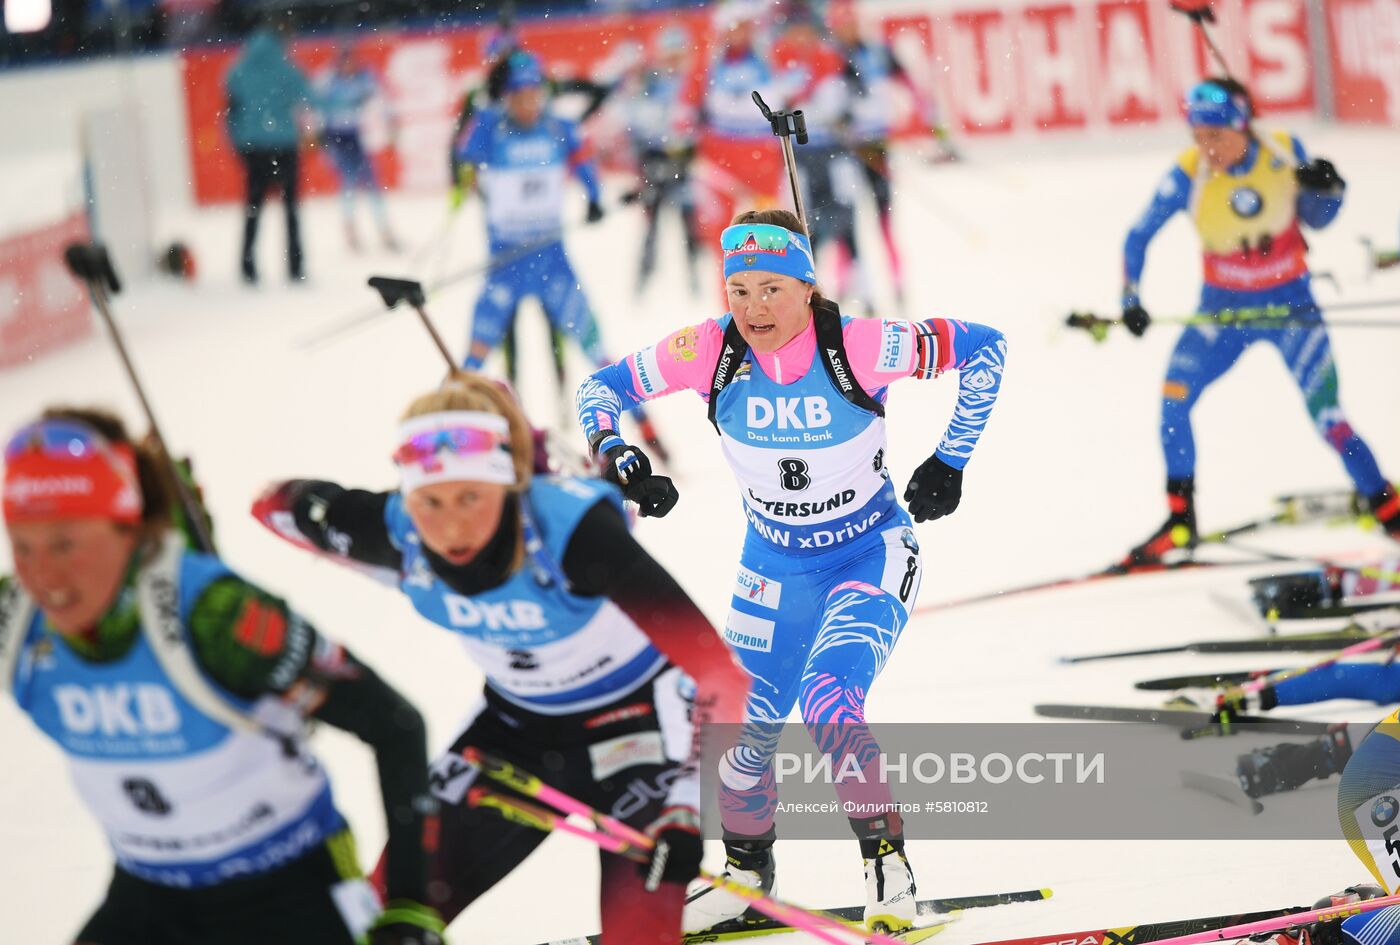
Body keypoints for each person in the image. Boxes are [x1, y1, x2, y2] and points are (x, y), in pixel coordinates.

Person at [575, 208, 1008, 932]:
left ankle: (887, 867)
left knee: (828, 699)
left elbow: (985, 350)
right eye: (737, 289)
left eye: (772, 288)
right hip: (773, 565)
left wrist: (951, 459)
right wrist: (620, 455)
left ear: (807, 286)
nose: (753, 308)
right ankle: (746, 870)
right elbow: (600, 390)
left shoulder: (862, 345)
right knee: (736, 723)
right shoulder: (706, 350)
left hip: (868, 552)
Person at [251, 372, 749, 943]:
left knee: (638, 931)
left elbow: (717, 671)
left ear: (512, 485)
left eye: (471, 497)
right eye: (429, 502)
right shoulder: (397, 531)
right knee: (386, 915)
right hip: (516, 736)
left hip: (638, 732)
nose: (451, 525)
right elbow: (272, 505)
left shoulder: (575, 531)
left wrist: (686, 807)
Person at [0, 408, 443, 945]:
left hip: (286, 888)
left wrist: (409, 903)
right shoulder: (14, 620)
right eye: (22, 546)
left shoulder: (216, 615)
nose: (44, 576)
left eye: (66, 544)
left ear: (127, 529)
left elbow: (393, 723)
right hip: (150, 894)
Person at [1119, 77, 1400, 567]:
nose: (1207, 148)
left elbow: (1319, 218)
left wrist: (1328, 188)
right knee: (1173, 403)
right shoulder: (1190, 172)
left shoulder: (1283, 150)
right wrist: (1130, 299)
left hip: (1292, 309)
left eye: (1217, 136)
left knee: (1329, 419)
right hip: (1222, 314)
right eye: (1198, 137)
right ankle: (1181, 521)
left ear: (1241, 127)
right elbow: (1138, 236)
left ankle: (1388, 507)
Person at [452, 50, 666, 453]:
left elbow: (583, 162)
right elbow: (461, 160)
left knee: (598, 351)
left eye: (535, 93)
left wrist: (593, 198)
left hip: (552, 263)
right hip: (505, 263)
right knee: (474, 357)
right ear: (505, 98)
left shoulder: (559, 127)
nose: (530, 103)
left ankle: (651, 434)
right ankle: (443, 433)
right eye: (520, 95)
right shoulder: (490, 128)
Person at [617, 27, 704, 298]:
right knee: (652, 222)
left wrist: (690, 150)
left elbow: (703, 120)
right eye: (669, 56)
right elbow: (635, 122)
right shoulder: (649, 83)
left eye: (679, 56)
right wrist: (646, 160)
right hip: (655, 159)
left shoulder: (695, 82)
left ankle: (694, 280)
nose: (674, 62)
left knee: (688, 221)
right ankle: (643, 280)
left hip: (684, 160)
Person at [224, 19, 313, 284]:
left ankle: (247, 266)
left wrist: (240, 146)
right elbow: (309, 99)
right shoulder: (288, 69)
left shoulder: (237, 71)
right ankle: (295, 266)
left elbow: (231, 114)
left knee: (254, 208)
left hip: (254, 149)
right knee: (291, 209)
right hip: (285, 145)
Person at [313, 46, 399, 253]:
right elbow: (313, 104)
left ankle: (383, 229)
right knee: (348, 183)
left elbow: (383, 98)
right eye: (345, 63)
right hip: (336, 137)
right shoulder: (328, 79)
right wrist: (317, 134)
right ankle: (351, 230)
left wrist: (391, 123)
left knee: (371, 183)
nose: (349, 67)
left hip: (355, 135)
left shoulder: (363, 78)